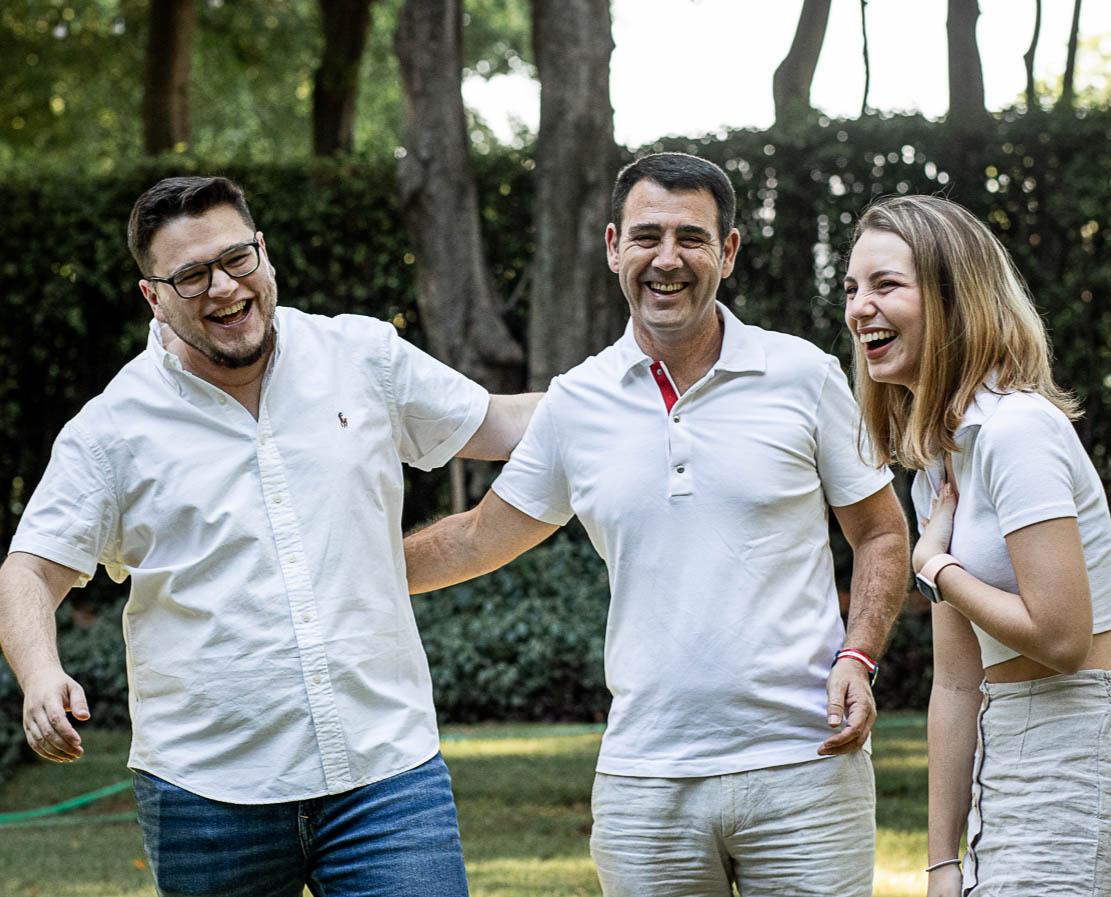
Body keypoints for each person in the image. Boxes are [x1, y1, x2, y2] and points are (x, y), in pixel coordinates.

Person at [0, 175, 538, 897]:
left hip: (385, 773)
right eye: (191, 275)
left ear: (263, 252)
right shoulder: (112, 429)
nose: (224, 287)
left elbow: (504, 424)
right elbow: (29, 570)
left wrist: (629, 394)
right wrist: (40, 675)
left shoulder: (361, 356)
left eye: (236, 258)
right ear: (153, 296)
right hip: (206, 796)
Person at [403, 152, 910, 897]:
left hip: (807, 765)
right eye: (646, 236)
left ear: (727, 252)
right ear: (614, 247)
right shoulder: (577, 402)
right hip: (645, 781)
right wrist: (338, 566)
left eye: (691, 238)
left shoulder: (803, 375)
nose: (666, 259)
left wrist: (858, 655)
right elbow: (479, 537)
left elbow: (881, 532)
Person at [844, 194, 1111, 896]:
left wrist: (935, 567)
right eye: (852, 288)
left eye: (885, 285)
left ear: (952, 298)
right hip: (1008, 750)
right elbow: (957, 683)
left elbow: (1062, 639)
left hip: (1079, 741)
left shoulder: (1016, 432)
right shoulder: (938, 466)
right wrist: (942, 863)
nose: (860, 308)